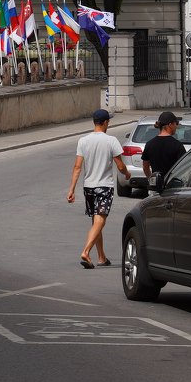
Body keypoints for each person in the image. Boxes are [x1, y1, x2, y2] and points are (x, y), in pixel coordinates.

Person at [65, 110, 132, 268]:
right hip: (104, 186)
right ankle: (86, 251)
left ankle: (101, 257)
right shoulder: (111, 140)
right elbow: (120, 165)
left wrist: (71, 190)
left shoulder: (83, 141)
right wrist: (127, 174)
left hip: (88, 187)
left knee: (96, 221)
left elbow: (77, 167)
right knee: (100, 219)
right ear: (106, 122)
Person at [139, 111, 187, 187]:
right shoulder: (177, 145)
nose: (176, 126)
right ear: (170, 125)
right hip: (172, 187)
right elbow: (184, 167)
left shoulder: (149, 144)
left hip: (156, 187)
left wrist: (151, 179)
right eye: (176, 123)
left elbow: (145, 167)